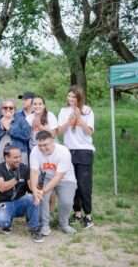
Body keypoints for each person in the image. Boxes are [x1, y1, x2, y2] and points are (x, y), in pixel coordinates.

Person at [56, 85, 95, 229]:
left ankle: (88, 215)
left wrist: (80, 119)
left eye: (74, 97)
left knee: (84, 185)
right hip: (68, 151)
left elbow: (89, 132)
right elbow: (59, 131)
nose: (71, 99)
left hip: (84, 151)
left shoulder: (87, 111)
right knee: (72, 184)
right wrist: (69, 121)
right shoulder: (63, 111)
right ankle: (77, 212)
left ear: (80, 98)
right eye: (69, 96)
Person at [0, 145, 44, 243]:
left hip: (20, 202)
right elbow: (2, 187)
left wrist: (37, 185)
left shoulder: (24, 168)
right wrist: (16, 179)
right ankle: (7, 222)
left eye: (20, 156)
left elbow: (30, 186)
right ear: (6, 157)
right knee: (3, 222)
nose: (19, 160)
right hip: (5, 203)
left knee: (32, 197)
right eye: (15, 157)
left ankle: (34, 229)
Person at [30, 130, 77, 235]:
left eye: (45, 145)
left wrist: (43, 190)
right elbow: (34, 172)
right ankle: (45, 225)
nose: (42, 148)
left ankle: (63, 224)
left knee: (66, 202)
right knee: (42, 199)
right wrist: (35, 190)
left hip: (65, 178)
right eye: (40, 145)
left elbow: (58, 177)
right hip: (46, 176)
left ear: (53, 141)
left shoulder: (63, 151)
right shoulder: (35, 151)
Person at [0, 99, 31, 168]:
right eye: (5, 107)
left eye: (11, 108)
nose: (8, 109)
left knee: (18, 176)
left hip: (19, 154)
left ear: (15, 109)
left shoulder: (21, 120)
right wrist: (1, 129)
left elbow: (27, 135)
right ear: (1, 109)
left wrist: (10, 129)